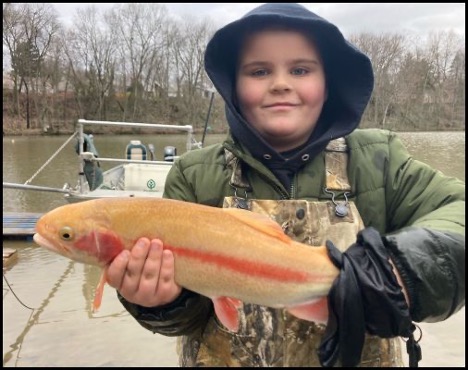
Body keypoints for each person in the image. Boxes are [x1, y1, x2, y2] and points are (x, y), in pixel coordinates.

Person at [106, 3, 465, 367]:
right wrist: (160, 303)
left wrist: (402, 269)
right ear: (234, 88)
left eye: (300, 69)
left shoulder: (379, 161)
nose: (280, 83)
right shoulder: (192, 176)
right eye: (259, 71)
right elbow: (190, 320)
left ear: (327, 86)